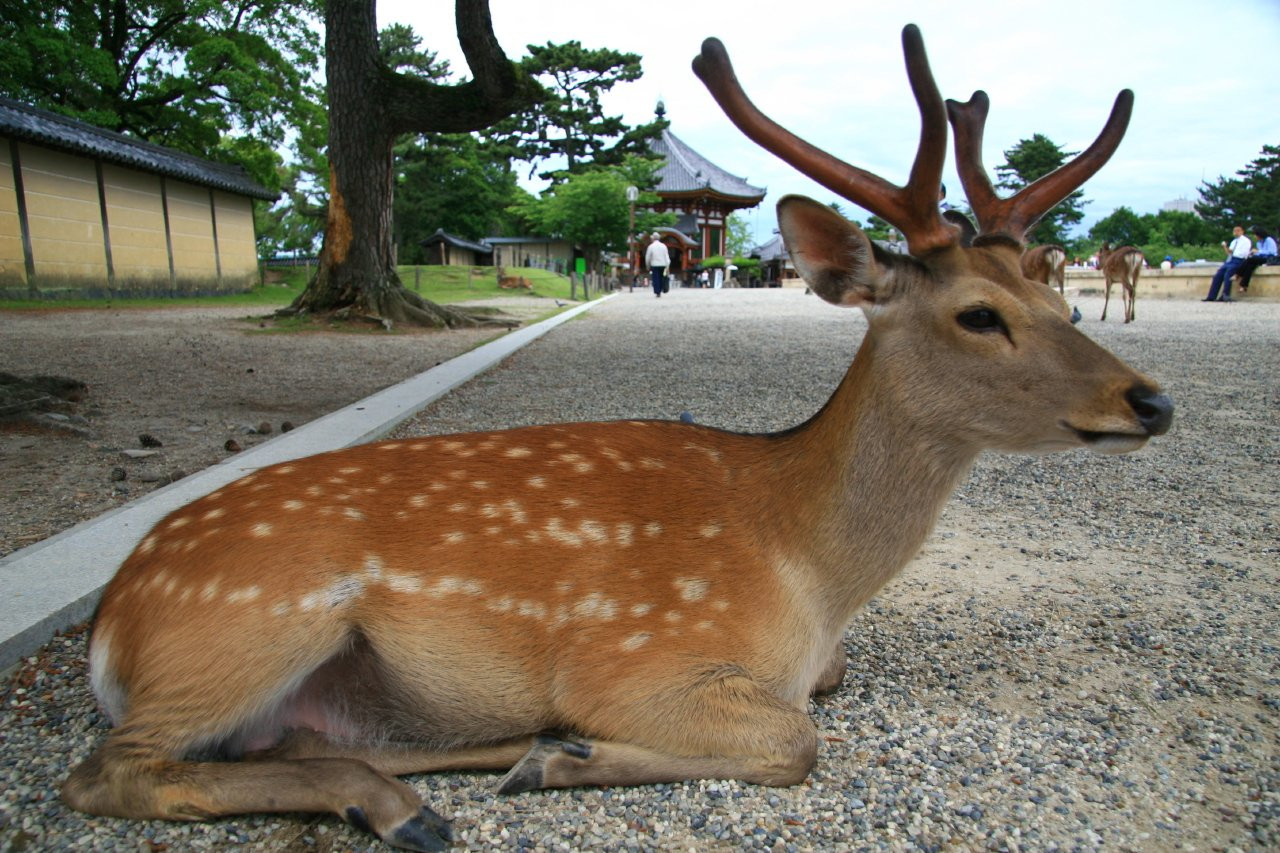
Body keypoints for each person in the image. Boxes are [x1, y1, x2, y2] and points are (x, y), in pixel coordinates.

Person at [1203, 225, 1251, 302]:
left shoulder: (1246, 241)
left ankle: (1225, 294)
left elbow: (1243, 254)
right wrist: (1225, 246)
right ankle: (1211, 296)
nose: (1236, 233)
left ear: (1242, 231)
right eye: (1234, 231)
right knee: (1218, 275)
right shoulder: (1234, 241)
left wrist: (1234, 255)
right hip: (1231, 260)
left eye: (1238, 231)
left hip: (1239, 260)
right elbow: (1229, 252)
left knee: (1228, 274)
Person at [1235, 226, 1277, 293]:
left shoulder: (1269, 240)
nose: (1255, 236)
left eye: (1256, 235)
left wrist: (1258, 251)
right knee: (1250, 266)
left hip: (1269, 258)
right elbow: (1259, 253)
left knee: (1250, 260)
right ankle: (1243, 286)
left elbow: (1272, 252)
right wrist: (1254, 253)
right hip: (1261, 258)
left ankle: (1238, 274)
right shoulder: (1259, 243)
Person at [644, 232, 670, 298]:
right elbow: (667, 257)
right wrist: (668, 266)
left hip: (654, 265)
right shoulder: (663, 246)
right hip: (663, 265)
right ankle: (661, 289)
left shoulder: (651, 246)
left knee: (656, 278)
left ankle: (657, 291)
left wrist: (647, 266)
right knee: (662, 277)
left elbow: (648, 257)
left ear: (653, 238)